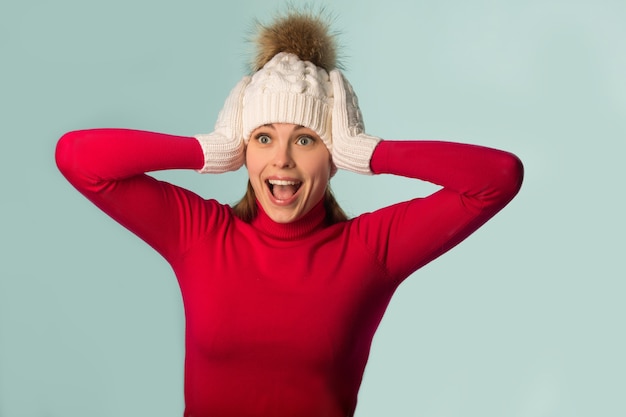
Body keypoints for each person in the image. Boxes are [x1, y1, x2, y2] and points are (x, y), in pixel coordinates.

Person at [55, 9, 523, 417]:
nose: (281, 159)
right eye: (263, 137)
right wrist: (210, 149)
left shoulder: (370, 250)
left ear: (332, 153)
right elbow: (76, 158)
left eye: (305, 139)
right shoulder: (199, 233)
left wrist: (366, 151)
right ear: (244, 149)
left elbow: (497, 178)